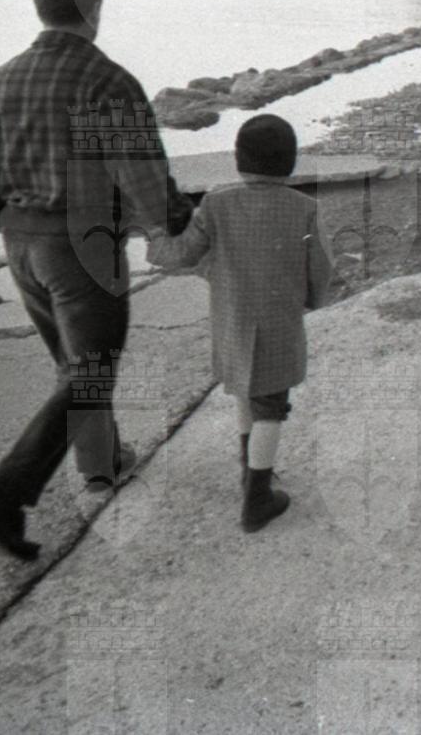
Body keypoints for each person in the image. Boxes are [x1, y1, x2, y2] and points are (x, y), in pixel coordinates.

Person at [0, 0, 189, 560]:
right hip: (82, 247)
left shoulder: (0, 79)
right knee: (91, 372)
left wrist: (5, 219)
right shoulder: (107, 81)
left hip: (20, 243)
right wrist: (181, 224)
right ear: (94, 6)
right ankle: (1, 498)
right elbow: (144, 178)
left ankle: (102, 463)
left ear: (40, 7)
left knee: (74, 366)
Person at [148, 114, 333, 532]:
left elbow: (183, 254)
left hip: (232, 321)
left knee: (246, 394)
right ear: (290, 161)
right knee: (271, 407)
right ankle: (257, 499)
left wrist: (155, 236)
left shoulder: (216, 203)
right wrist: (311, 299)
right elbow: (321, 266)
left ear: (237, 158)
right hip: (278, 324)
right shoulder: (305, 209)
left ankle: (249, 470)